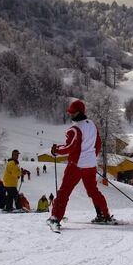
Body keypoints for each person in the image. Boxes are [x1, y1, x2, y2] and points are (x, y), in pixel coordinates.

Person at [46, 99, 111, 231]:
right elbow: (98, 144)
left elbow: (70, 148)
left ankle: (55, 218)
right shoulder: (92, 124)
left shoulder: (74, 129)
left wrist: (56, 150)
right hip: (90, 165)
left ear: (79, 112)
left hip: (76, 165)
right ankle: (104, 215)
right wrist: (91, 157)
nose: (70, 115)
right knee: (93, 191)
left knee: (64, 192)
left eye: (72, 113)